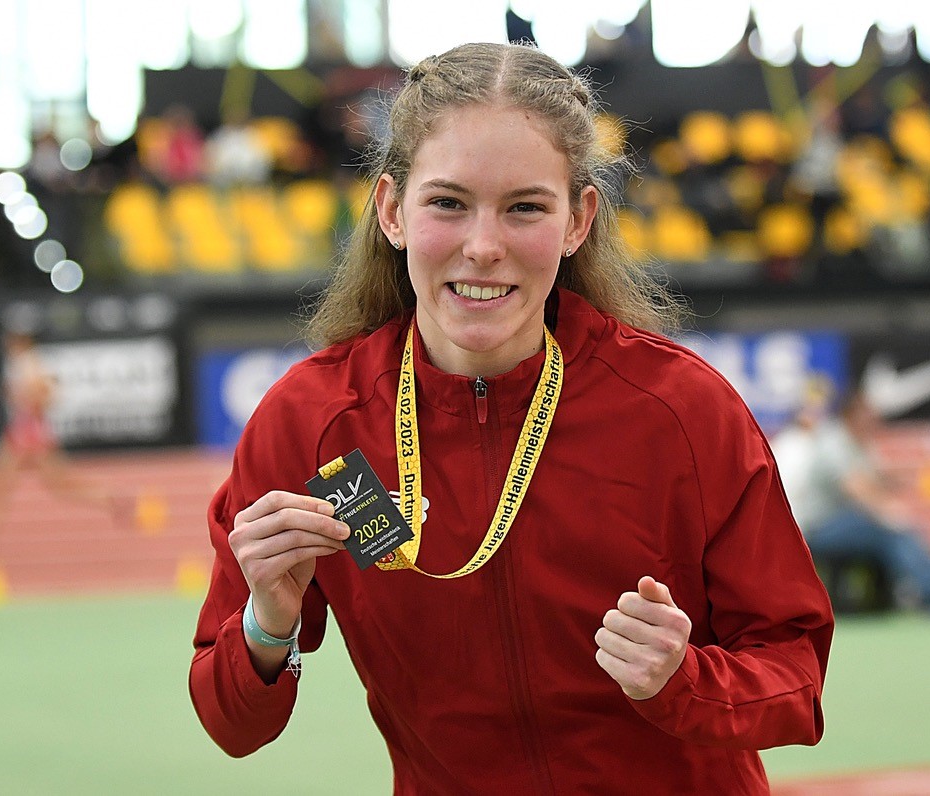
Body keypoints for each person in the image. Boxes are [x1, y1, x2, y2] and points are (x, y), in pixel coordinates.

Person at [189, 42, 833, 794]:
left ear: (577, 220)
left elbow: (796, 679)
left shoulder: (683, 410)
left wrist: (685, 680)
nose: (484, 247)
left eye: (525, 207)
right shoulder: (311, 424)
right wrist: (266, 624)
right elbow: (231, 724)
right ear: (393, 211)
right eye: (448, 203)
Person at [772, 384, 930, 616]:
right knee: (889, 530)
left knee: (895, 528)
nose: (875, 419)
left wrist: (911, 475)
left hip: (844, 523)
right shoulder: (833, 441)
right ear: (853, 414)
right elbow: (857, 488)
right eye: (869, 414)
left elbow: (878, 478)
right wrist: (889, 514)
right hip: (816, 529)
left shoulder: (860, 442)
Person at [0, 332, 129, 562]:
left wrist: (19, 397)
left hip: (27, 433)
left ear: (20, 342)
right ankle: (109, 498)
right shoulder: (21, 363)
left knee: (4, 482)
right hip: (26, 432)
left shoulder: (28, 363)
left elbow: (45, 394)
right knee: (56, 484)